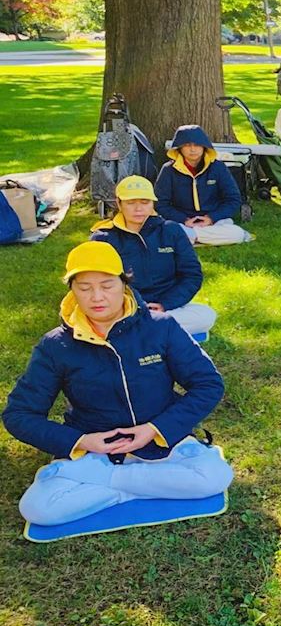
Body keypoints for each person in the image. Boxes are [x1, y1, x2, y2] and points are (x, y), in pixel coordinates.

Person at [3, 241, 233, 526]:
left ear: (124, 283)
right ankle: (143, 485)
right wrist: (83, 441)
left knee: (217, 476)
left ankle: (106, 486)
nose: (97, 297)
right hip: (96, 451)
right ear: (72, 291)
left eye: (107, 285)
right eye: (84, 288)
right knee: (38, 509)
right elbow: (18, 415)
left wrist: (154, 430)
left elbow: (208, 384)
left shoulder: (160, 326)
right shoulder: (56, 346)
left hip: (162, 444)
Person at [89, 176, 217, 337]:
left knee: (206, 316)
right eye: (131, 203)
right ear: (118, 203)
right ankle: (156, 329)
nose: (138, 209)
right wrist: (136, 305)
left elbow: (192, 275)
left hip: (167, 306)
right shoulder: (103, 237)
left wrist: (164, 305)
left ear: (153, 203)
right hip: (124, 306)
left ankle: (137, 331)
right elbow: (98, 282)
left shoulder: (171, 230)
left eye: (144, 202)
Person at [153, 126, 251, 246]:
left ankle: (190, 236)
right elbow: (161, 203)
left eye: (197, 145)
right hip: (182, 221)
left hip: (216, 221)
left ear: (204, 146)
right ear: (179, 148)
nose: (193, 149)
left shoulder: (218, 167)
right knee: (167, 229)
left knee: (237, 233)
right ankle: (198, 236)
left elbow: (233, 199)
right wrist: (184, 220)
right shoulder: (168, 170)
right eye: (187, 145)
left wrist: (211, 218)